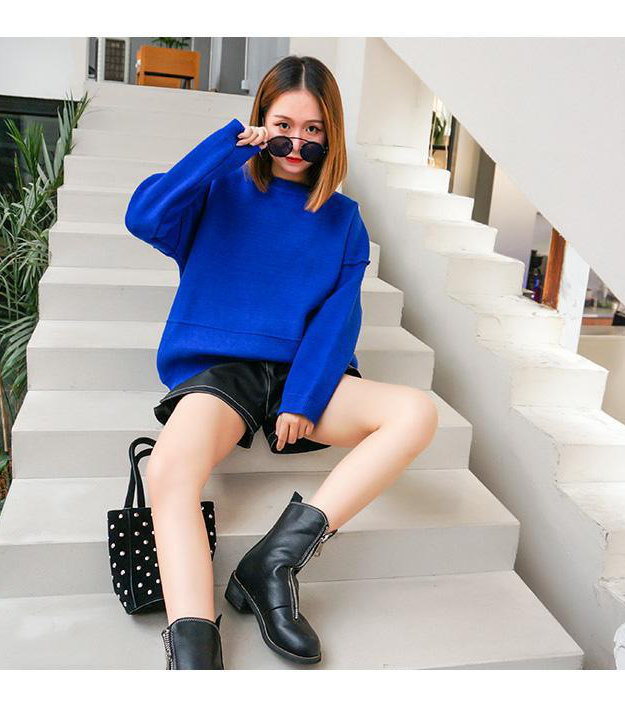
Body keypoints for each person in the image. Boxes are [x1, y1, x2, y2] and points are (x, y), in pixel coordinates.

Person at [124, 55, 439, 669]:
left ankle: (274, 562)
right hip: (222, 373)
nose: (297, 143)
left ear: (331, 134)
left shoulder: (344, 219)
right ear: (260, 123)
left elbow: (338, 318)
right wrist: (227, 147)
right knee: (168, 471)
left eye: (313, 129)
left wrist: (302, 397)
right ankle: (195, 648)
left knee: (416, 414)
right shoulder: (218, 189)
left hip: (301, 373)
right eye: (283, 125)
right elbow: (145, 217)